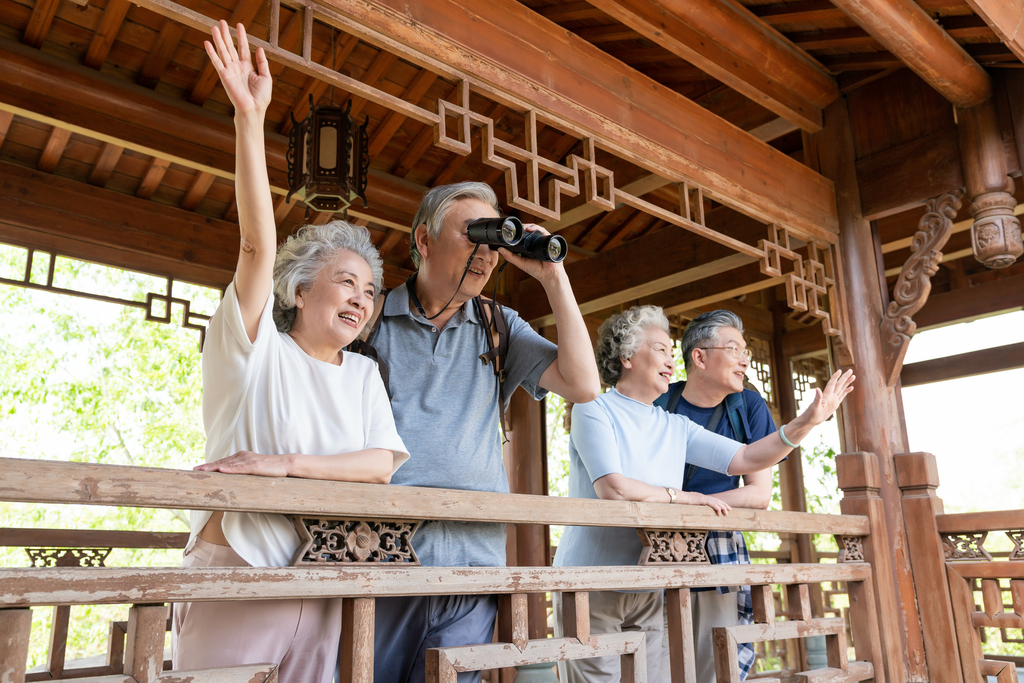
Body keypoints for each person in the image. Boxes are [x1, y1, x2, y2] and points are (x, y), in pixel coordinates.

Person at [171, 22, 409, 683]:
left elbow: (379, 465)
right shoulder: (253, 347)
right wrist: (251, 118)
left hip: (323, 575)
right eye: (345, 281)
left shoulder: (363, 372)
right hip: (239, 570)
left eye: (371, 289)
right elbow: (255, 247)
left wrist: (280, 466)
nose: (362, 297)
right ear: (299, 289)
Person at [369, 181, 601, 683]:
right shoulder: (370, 321)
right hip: (385, 557)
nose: (487, 253)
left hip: (476, 563)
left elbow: (584, 385)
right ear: (424, 241)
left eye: (495, 240)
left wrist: (553, 276)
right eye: (474, 233)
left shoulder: (501, 325)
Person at [553, 305, 854, 683]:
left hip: (651, 581)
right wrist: (688, 497)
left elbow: (745, 456)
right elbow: (613, 487)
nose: (670, 361)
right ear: (626, 356)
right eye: (660, 349)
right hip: (593, 581)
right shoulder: (593, 407)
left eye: (669, 351)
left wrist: (807, 423)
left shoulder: (674, 424)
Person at [655, 310, 776, 682]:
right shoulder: (660, 402)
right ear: (700, 357)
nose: (744, 360)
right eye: (734, 348)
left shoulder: (749, 407)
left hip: (717, 545)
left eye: (746, 352)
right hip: (652, 546)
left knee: (712, 663)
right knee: (656, 659)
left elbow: (759, 495)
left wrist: (694, 501)